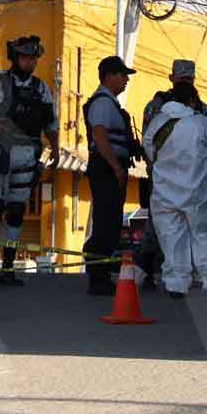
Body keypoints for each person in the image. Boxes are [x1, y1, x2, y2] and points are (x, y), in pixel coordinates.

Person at [0, 35, 60, 288]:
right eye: (26, 57)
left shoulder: (41, 88)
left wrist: (56, 151)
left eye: (34, 58)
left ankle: (7, 269)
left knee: (16, 212)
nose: (31, 62)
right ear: (15, 57)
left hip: (28, 154)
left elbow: (51, 123)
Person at [143, 80, 207, 299]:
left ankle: (176, 285)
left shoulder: (157, 122)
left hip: (163, 193)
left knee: (171, 239)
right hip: (196, 193)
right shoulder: (200, 123)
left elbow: (150, 153)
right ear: (192, 100)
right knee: (204, 236)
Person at [82, 55, 140, 296]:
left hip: (109, 167)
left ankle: (101, 275)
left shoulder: (110, 103)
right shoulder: (103, 103)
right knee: (106, 223)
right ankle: (97, 278)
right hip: (106, 168)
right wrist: (117, 168)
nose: (126, 80)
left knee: (110, 222)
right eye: (122, 74)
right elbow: (100, 137)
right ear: (109, 76)